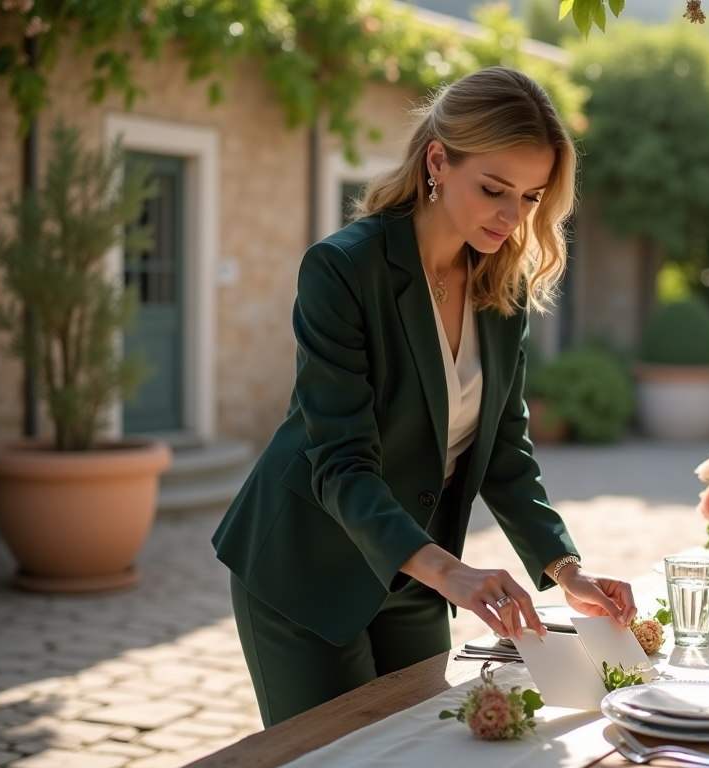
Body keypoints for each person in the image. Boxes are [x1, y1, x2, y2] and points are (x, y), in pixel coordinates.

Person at [212, 66, 638, 727]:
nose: (512, 216)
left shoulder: (505, 289)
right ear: (437, 160)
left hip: (414, 573)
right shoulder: (344, 270)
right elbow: (342, 463)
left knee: (422, 758)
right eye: (494, 189)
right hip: (308, 564)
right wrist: (451, 574)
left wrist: (565, 568)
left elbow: (503, 451)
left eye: (530, 197)